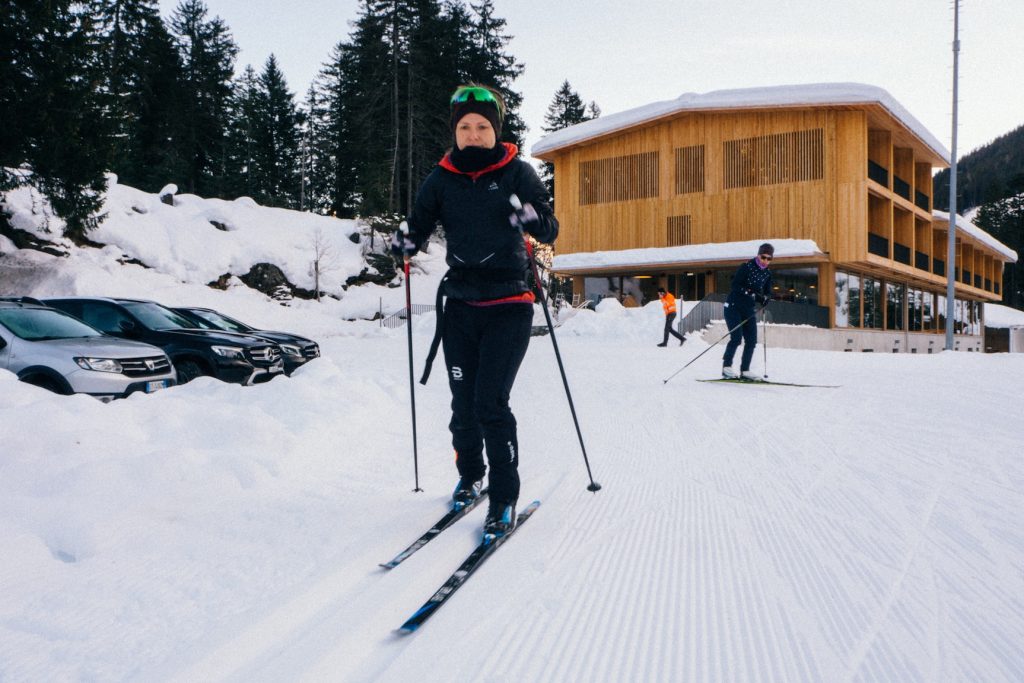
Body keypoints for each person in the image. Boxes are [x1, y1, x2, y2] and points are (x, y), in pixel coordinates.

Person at [390, 84, 558, 537]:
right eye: (464, 127)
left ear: (495, 130)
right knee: (463, 405)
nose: (473, 134)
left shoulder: (517, 172)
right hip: (461, 306)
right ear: (455, 131)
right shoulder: (441, 178)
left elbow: (550, 228)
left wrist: (531, 218)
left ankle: (503, 496)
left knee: (490, 403)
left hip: (509, 304)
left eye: (482, 126)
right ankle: (470, 475)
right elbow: (417, 227)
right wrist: (404, 242)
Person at [722, 243, 774, 379]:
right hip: (733, 306)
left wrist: (766, 298)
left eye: (769, 259)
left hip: (748, 309)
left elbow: (768, 291)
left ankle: (745, 370)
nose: (765, 261)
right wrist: (751, 293)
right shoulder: (746, 267)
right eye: (763, 257)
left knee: (751, 340)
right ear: (758, 255)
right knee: (736, 338)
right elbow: (735, 285)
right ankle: (726, 367)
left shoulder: (767, 273)